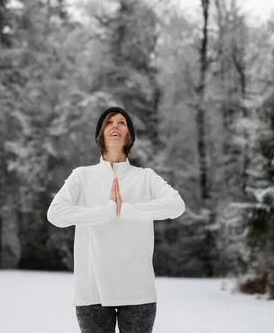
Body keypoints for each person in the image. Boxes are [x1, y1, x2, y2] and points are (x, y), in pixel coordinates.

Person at [46, 106, 186, 333]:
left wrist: (128, 209)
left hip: (138, 289)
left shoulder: (145, 177)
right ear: (100, 135)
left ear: (129, 135)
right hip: (92, 290)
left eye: (121, 122)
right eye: (109, 122)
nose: (115, 126)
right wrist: (105, 211)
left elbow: (177, 205)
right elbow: (55, 213)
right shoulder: (82, 176)